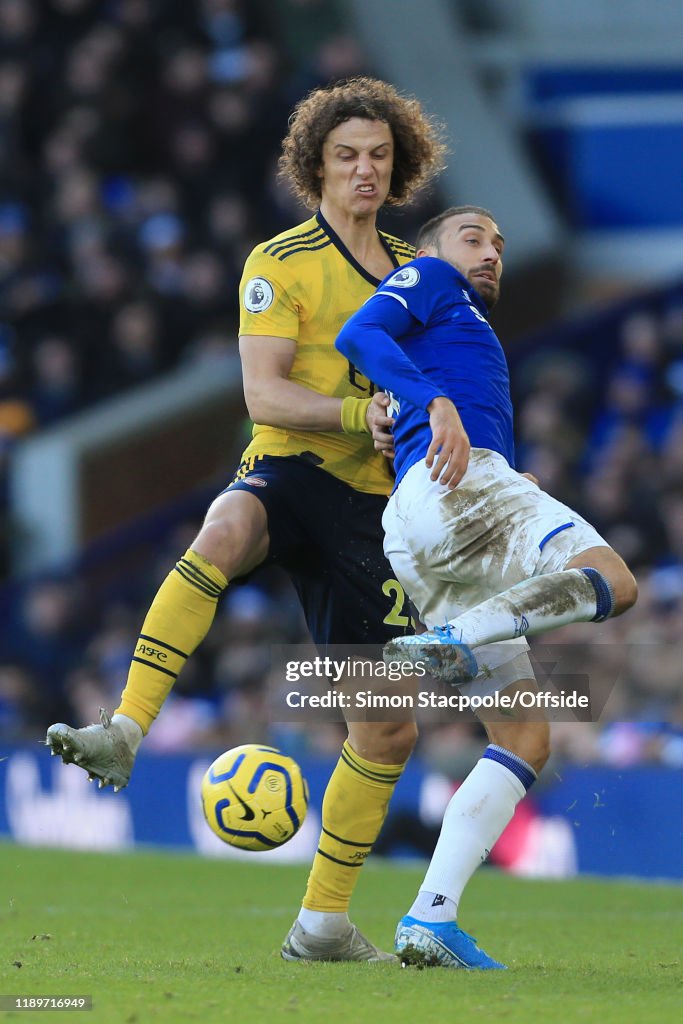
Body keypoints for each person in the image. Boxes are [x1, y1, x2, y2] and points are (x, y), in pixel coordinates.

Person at [46, 78, 446, 963]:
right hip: (291, 465)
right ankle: (124, 729)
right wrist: (354, 417)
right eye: (346, 156)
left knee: (385, 730)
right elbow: (262, 391)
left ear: (400, 163)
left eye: (379, 154)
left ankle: (323, 926)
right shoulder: (279, 261)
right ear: (315, 166)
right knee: (222, 534)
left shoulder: (419, 278)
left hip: (375, 507)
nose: (364, 170)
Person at [336, 205, 638, 968]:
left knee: (523, 738)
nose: (491, 251)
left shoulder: (461, 328)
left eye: (500, 243)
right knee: (614, 581)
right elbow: (359, 334)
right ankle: (450, 641)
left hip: (424, 525)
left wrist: (422, 413)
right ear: (431, 250)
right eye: (473, 237)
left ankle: (429, 918)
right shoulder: (431, 280)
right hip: (458, 490)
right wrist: (429, 400)